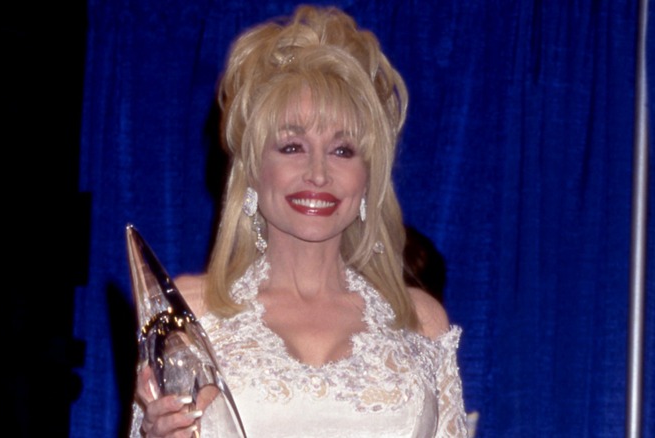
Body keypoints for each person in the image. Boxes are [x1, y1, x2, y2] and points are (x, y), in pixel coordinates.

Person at [130, 5, 468, 437]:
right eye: (292, 147)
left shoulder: (421, 322)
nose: (318, 173)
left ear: (369, 177)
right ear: (252, 169)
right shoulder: (190, 314)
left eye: (342, 150)